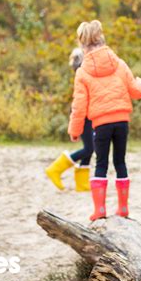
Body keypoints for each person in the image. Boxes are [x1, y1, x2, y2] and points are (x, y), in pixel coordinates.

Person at [68, 20, 141, 221]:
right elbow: (136, 90)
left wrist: (75, 129)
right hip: (122, 121)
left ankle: (100, 210)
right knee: (120, 162)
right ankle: (123, 209)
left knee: (101, 163)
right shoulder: (119, 63)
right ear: (102, 40)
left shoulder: (82, 72)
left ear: (83, 46)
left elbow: (79, 105)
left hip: (100, 124)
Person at [45, 48, 94, 192]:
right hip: (85, 116)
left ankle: (82, 185)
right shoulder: (84, 76)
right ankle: (55, 169)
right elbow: (80, 103)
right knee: (89, 148)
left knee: (90, 149)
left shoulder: (84, 75)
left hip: (90, 115)